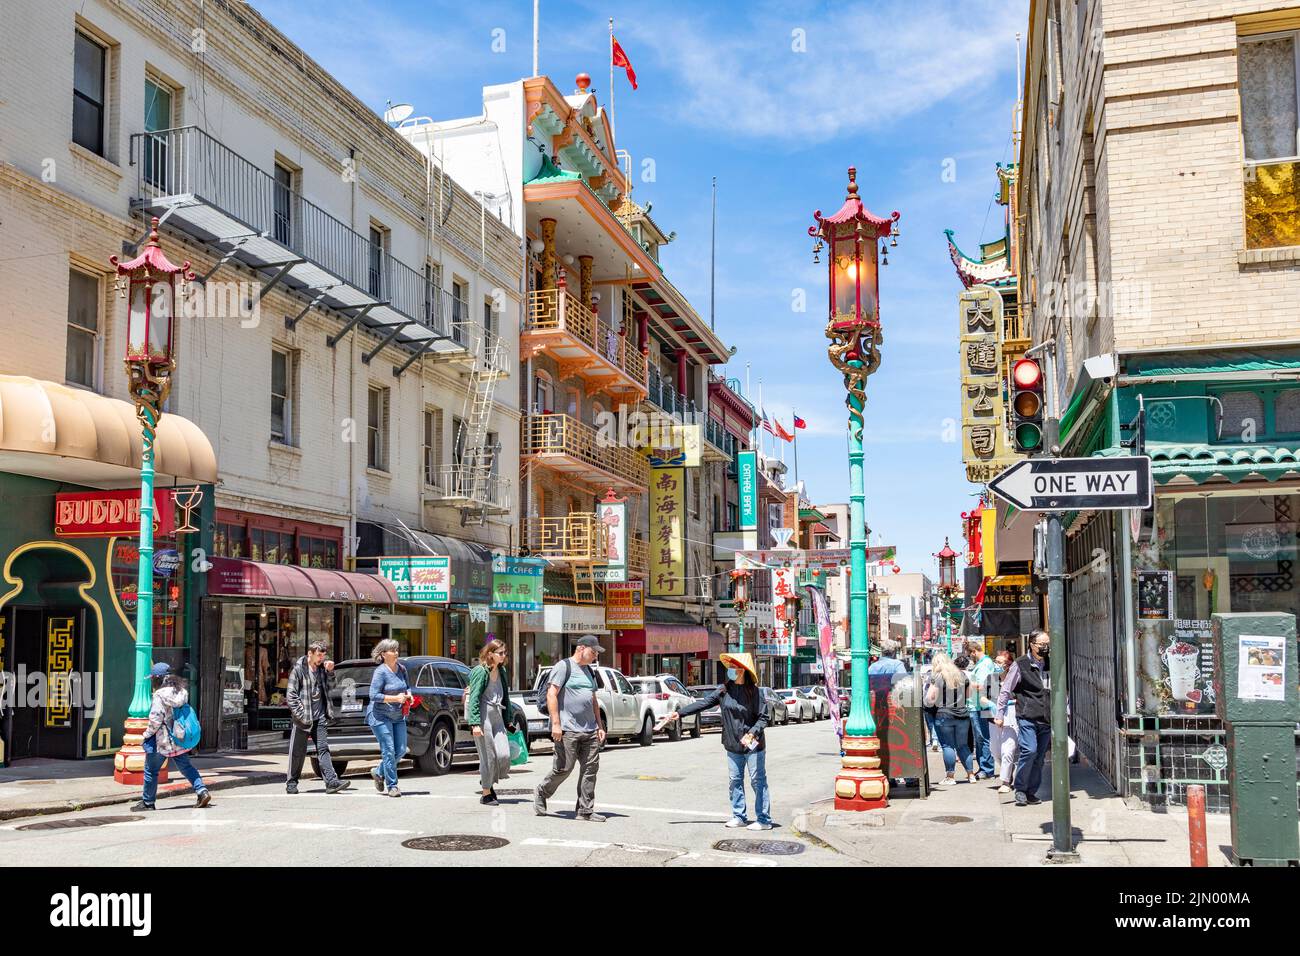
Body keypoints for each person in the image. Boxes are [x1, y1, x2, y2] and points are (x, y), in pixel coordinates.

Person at [666, 652, 773, 830]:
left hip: (753, 745)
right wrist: (680, 713)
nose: (729, 670)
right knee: (735, 780)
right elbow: (704, 703)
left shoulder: (755, 692)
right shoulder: (724, 690)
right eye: (729, 667)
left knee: (757, 780)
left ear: (742, 670)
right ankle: (739, 815)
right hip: (732, 744)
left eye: (733, 667)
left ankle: (764, 819)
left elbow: (764, 718)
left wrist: (752, 733)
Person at [534, 635, 607, 822]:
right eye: (593, 652)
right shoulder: (563, 667)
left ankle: (585, 810)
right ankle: (542, 791)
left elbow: (593, 701)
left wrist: (600, 725)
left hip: (589, 729)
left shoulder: (589, 671)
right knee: (564, 768)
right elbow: (552, 694)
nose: (595, 656)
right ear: (581, 648)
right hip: (567, 728)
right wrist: (556, 723)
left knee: (590, 769)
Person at [132, 663, 211, 811]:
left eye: (153, 679)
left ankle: (148, 803)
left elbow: (156, 719)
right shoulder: (181, 692)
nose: (152, 682)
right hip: (179, 738)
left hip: (161, 741)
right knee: (186, 767)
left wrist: (146, 734)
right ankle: (202, 791)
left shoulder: (159, 696)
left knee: (151, 770)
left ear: (158, 679)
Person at [286, 641, 350, 795]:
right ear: (310, 653)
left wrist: (330, 672)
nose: (321, 658)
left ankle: (331, 782)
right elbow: (291, 695)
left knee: (323, 749)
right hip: (303, 718)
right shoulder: (299, 670)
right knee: (297, 751)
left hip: (320, 717)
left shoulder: (322, 670)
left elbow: (331, 688)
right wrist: (301, 714)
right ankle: (292, 782)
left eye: (323, 655)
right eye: (318, 655)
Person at [996, 630, 1051, 806]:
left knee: (1040, 757)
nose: (1045, 647)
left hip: (1047, 717)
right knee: (1030, 750)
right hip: (1027, 715)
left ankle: (1031, 792)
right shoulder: (1020, 664)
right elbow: (1006, 690)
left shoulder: (1051, 662)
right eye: (1041, 644)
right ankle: (1020, 789)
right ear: (1032, 644)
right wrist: (999, 714)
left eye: (1047, 644)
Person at [466, 638, 518, 806]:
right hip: (483, 717)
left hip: (497, 715)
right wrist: (474, 723)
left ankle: (485, 781)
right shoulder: (481, 671)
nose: (504, 656)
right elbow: (474, 698)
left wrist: (508, 719)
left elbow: (506, 697)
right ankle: (486, 793)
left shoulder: (501, 671)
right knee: (488, 757)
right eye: (500, 653)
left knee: (504, 755)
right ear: (490, 654)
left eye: (505, 653)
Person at [366, 638, 411, 798]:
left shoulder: (402, 669)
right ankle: (392, 785)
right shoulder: (380, 672)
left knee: (401, 749)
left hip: (398, 716)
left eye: (397, 650)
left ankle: (378, 771)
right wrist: (394, 699)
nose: (396, 653)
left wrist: (409, 696)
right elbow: (373, 695)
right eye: (393, 650)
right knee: (389, 750)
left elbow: (407, 687)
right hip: (380, 716)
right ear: (384, 654)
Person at [925, 651, 976, 786]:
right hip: (963, 714)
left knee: (948, 745)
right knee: (963, 745)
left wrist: (930, 704)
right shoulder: (962, 675)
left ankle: (950, 776)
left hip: (944, 714)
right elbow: (969, 695)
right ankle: (971, 775)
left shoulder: (937, 677)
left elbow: (930, 698)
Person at [964, 640, 997, 780]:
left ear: (973, 651)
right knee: (980, 738)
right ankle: (984, 767)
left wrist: (967, 682)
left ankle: (986, 769)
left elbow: (982, 686)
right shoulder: (984, 663)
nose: (970, 657)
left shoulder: (984, 664)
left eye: (969, 654)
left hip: (980, 705)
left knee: (982, 738)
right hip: (979, 705)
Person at [989, 648, 1019, 793]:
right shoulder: (991, 679)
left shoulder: (1016, 680)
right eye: (996, 661)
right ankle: (1008, 771)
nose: (997, 665)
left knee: (1008, 751)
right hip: (993, 720)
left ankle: (1006, 782)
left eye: (1000, 663)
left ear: (1008, 664)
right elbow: (982, 697)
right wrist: (989, 704)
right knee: (995, 751)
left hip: (1011, 719)